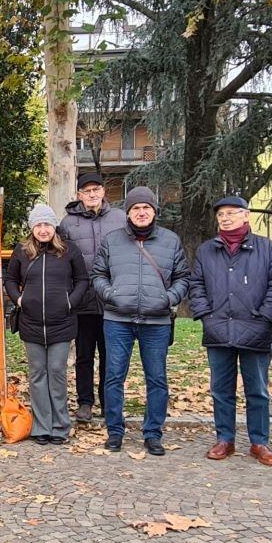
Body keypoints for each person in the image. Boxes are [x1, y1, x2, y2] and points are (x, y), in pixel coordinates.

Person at [187, 197, 272, 466]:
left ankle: (259, 442)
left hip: (256, 329)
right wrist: (205, 315)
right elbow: (195, 284)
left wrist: (266, 316)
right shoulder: (207, 250)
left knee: (257, 390)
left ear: (246, 216)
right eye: (221, 214)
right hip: (218, 330)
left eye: (231, 213)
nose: (225, 218)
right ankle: (225, 439)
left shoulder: (266, 248)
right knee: (221, 390)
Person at [90, 186, 189, 455]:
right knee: (113, 377)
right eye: (136, 208)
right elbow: (98, 275)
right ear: (128, 213)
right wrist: (112, 296)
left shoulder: (170, 240)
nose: (141, 212)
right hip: (117, 319)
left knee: (156, 378)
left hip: (156, 322)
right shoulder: (112, 240)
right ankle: (115, 431)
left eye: (146, 208)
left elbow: (183, 278)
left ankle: (153, 433)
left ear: (154, 211)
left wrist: (168, 298)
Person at [5, 204, 90, 444]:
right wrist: (19, 299)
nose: (43, 230)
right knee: (37, 374)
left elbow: (82, 280)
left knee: (56, 372)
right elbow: (10, 279)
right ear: (32, 228)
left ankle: (60, 425)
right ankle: (42, 426)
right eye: (38, 225)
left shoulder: (69, 250)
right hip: (31, 324)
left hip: (61, 323)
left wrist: (70, 302)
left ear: (54, 227)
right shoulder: (22, 251)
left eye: (47, 225)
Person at [60, 172, 125, 423]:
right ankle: (85, 402)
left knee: (111, 355)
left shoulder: (119, 219)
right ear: (79, 195)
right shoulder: (68, 223)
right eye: (87, 191)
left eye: (96, 189)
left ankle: (109, 402)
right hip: (83, 300)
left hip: (112, 299)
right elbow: (62, 259)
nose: (92, 194)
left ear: (103, 192)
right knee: (84, 355)